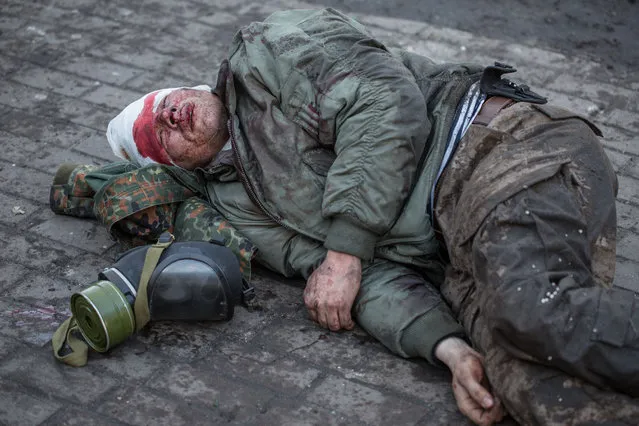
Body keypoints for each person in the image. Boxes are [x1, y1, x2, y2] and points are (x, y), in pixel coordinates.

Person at [50, 8, 639, 425]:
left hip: (496, 149)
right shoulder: (240, 207)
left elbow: (388, 105)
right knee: (524, 388)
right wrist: (448, 348)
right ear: (181, 168)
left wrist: (345, 251)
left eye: (162, 102)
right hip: (458, 249)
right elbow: (357, 281)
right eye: (155, 137)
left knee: (531, 310)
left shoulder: (268, 50)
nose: (169, 116)